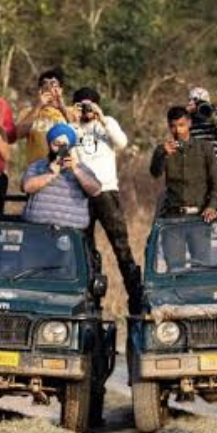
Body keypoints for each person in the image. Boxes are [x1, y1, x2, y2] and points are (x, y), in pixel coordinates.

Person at [70, 86, 144, 314]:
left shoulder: (107, 122)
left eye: (90, 105)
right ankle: (91, 300)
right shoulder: (71, 127)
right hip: (80, 193)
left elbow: (122, 143)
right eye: (82, 105)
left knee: (121, 245)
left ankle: (136, 297)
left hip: (107, 191)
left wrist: (102, 118)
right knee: (84, 247)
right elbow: (60, 148)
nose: (86, 110)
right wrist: (71, 120)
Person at [150, 106, 217, 270]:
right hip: (174, 218)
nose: (177, 130)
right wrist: (162, 154)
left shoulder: (204, 148)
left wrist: (212, 206)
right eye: (173, 126)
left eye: (181, 125)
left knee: (202, 269)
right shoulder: (164, 149)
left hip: (199, 217)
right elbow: (155, 173)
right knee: (175, 269)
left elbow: (216, 182)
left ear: (189, 123)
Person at [20, 123, 101, 230]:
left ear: (70, 146)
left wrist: (76, 170)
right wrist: (50, 174)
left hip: (71, 231)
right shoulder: (38, 166)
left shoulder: (81, 168)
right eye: (56, 144)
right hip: (37, 228)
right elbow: (26, 187)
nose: (60, 149)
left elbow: (96, 191)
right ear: (49, 144)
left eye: (64, 145)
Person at [186, 87, 217, 203]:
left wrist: (211, 116)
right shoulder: (188, 121)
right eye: (194, 101)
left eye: (201, 102)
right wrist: (186, 114)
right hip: (198, 174)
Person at [16, 67, 69, 165]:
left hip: (62, 170)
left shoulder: (69, 111)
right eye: (45, 85)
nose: (49, 88)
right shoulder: (28, 112)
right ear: (39, 90)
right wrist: (38, 106)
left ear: (61, 90)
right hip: (36, 170)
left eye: (53, 85)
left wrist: (62, 107)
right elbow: (18, 134)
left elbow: (79, 132)